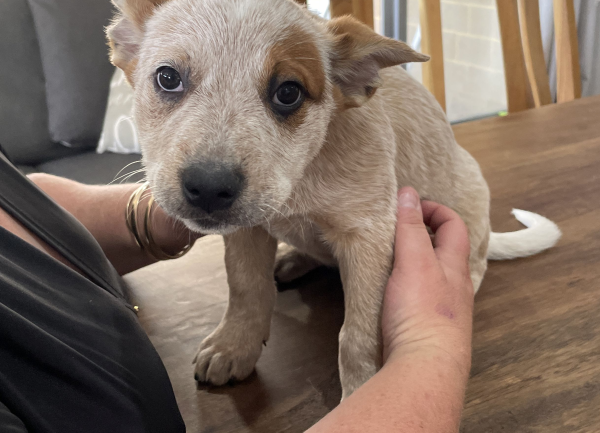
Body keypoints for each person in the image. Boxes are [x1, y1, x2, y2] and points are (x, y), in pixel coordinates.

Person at [0, 145, 474, 433]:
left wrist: (154, 218)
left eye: (285, 94)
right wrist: (430, 349)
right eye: (170, 81)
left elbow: (26, 204)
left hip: (435, 239)